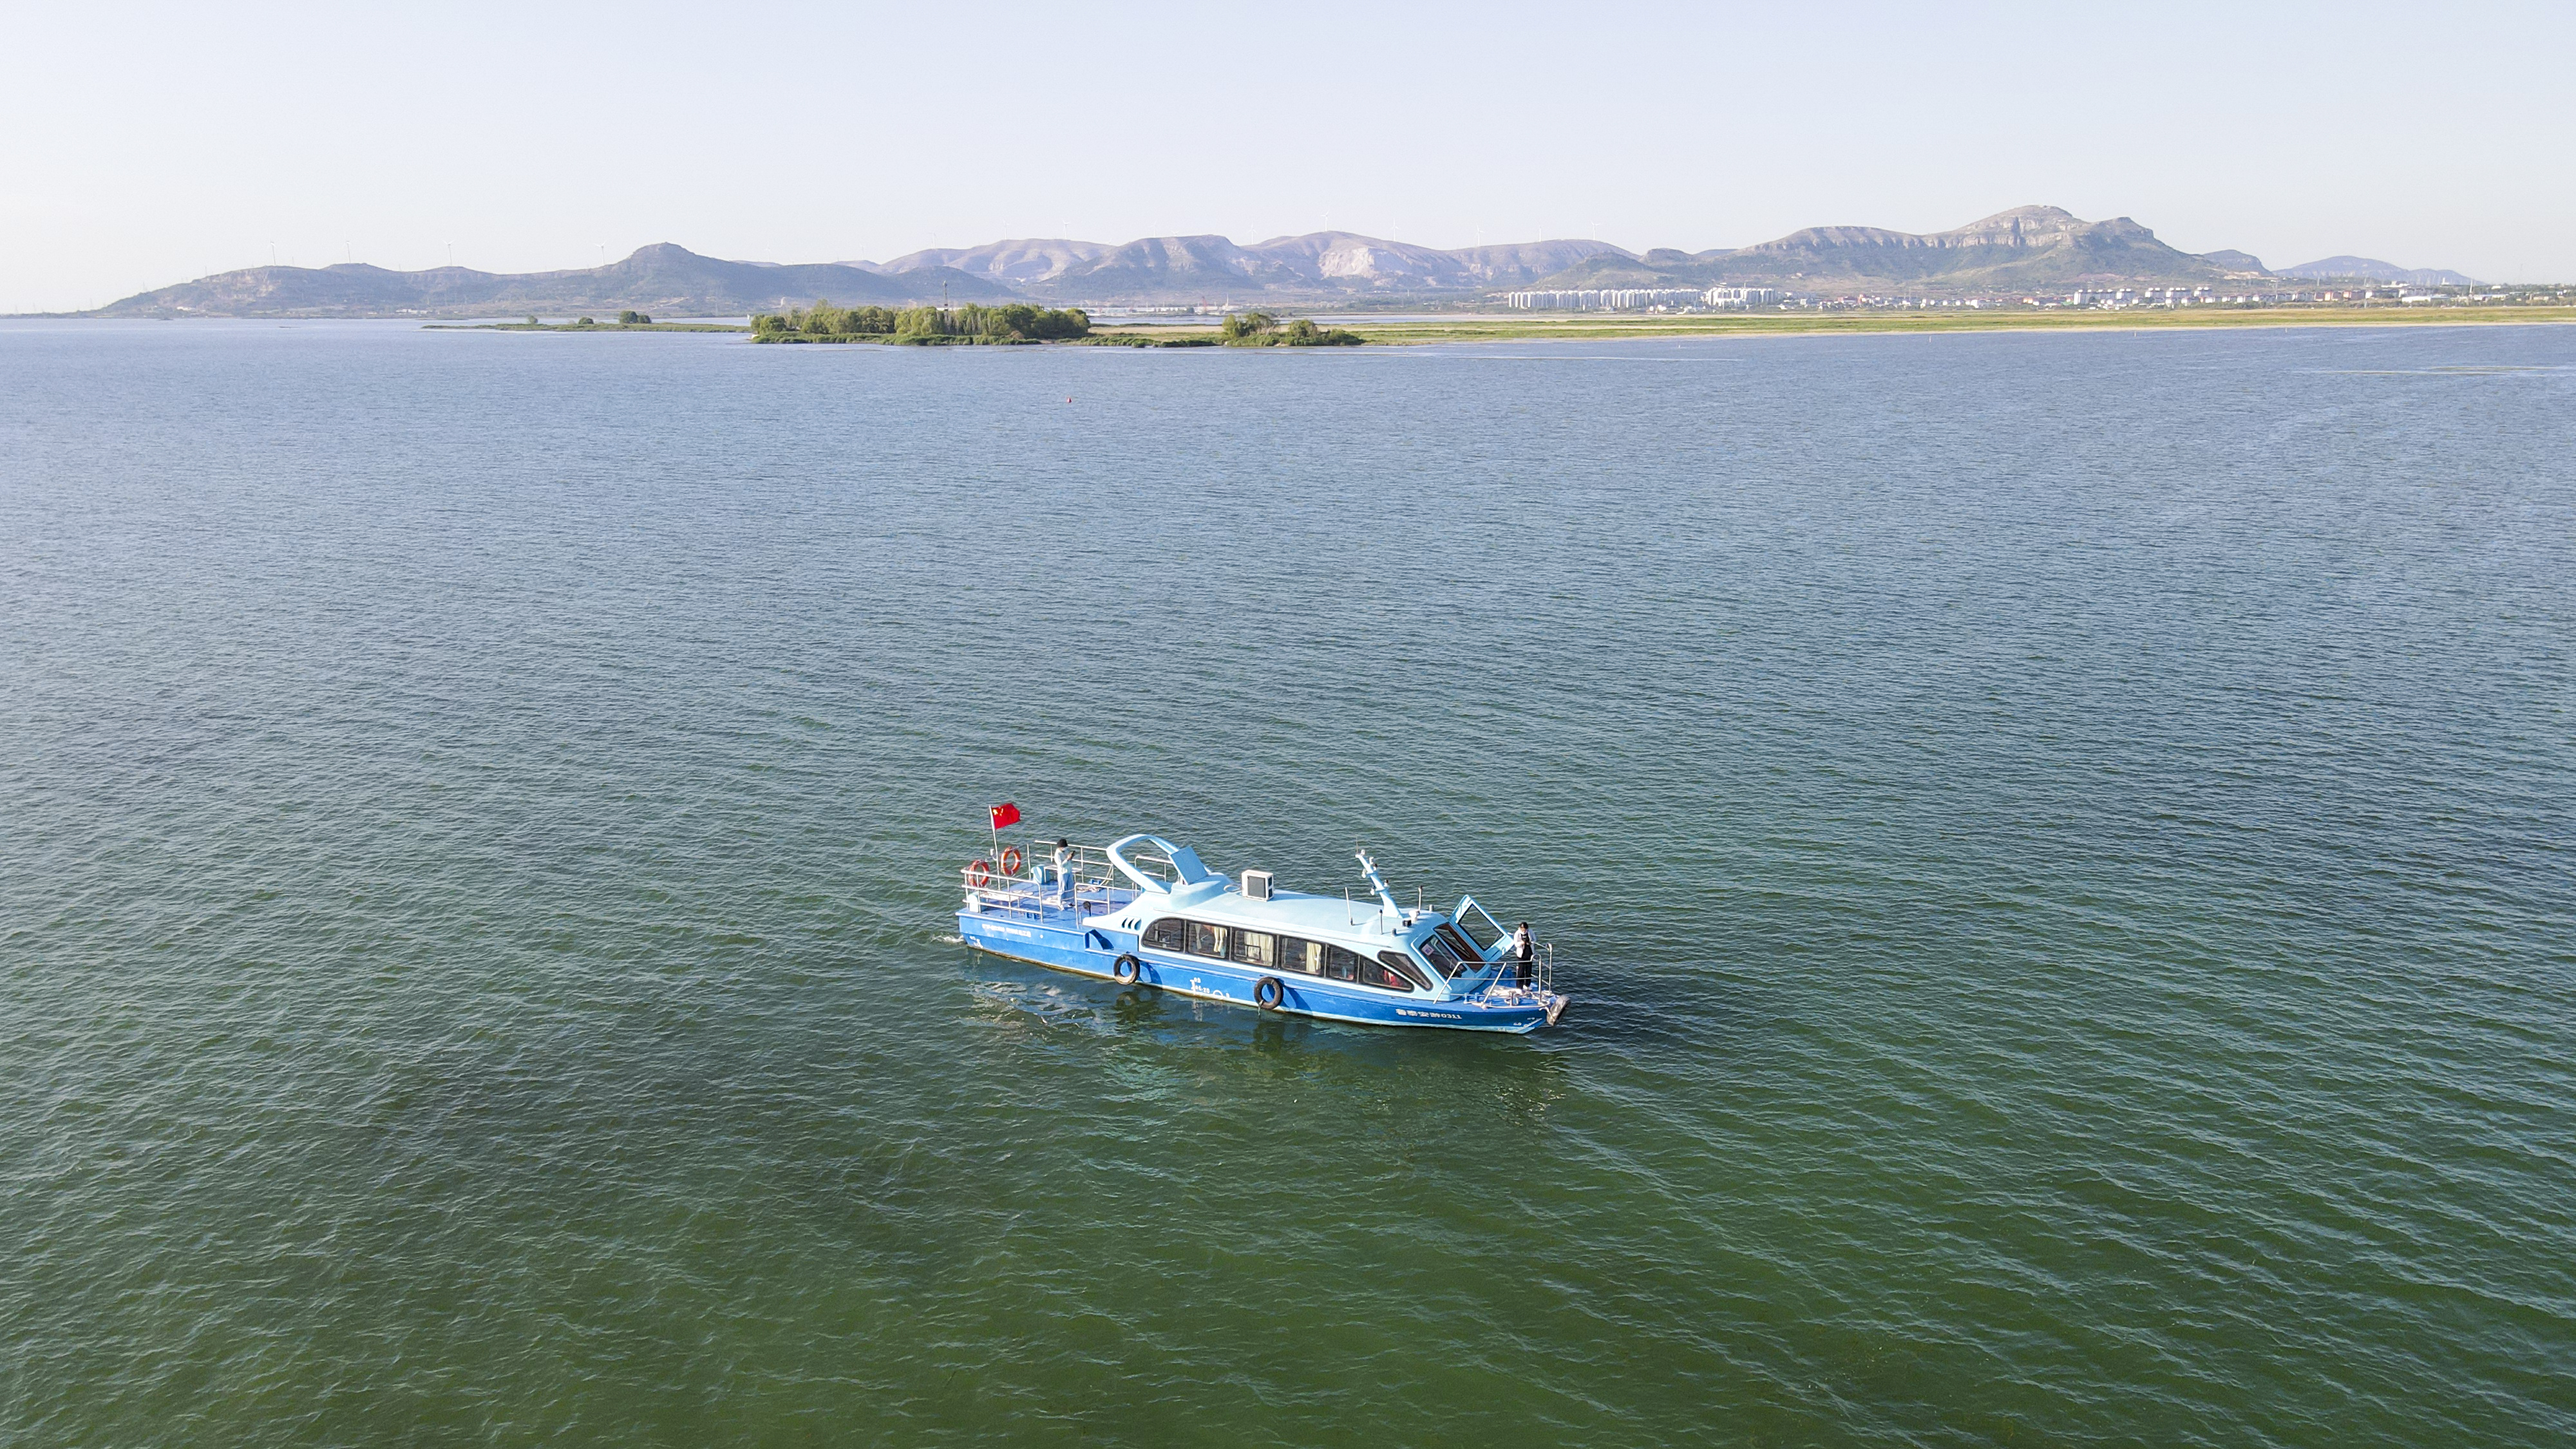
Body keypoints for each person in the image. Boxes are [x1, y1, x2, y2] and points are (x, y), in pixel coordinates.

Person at [1052, 838, 1075, 907]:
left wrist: (1071, 856)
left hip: (1069, 871)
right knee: (1062, 888)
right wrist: (1067, 859)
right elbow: (1061, 865)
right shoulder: (1057, 854)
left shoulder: (1067, 850)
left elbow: (1069, 857)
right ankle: (1060, 902)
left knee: (1071, 886)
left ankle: (1071, 901)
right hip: (1063, 873)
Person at [1513, 922, 1535, 987]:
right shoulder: (1517, 934)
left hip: (1529, 953)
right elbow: (1516, 944)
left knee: (1529, 971)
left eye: (1525, 929)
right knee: (1521, 971)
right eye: (1522, 929)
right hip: (1521, 955)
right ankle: (1519, 986)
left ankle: (1527, 985)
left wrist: (1531, 943)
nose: (1524, 931)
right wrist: (1522, 943)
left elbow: (1535, 939)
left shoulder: (1530, 932)